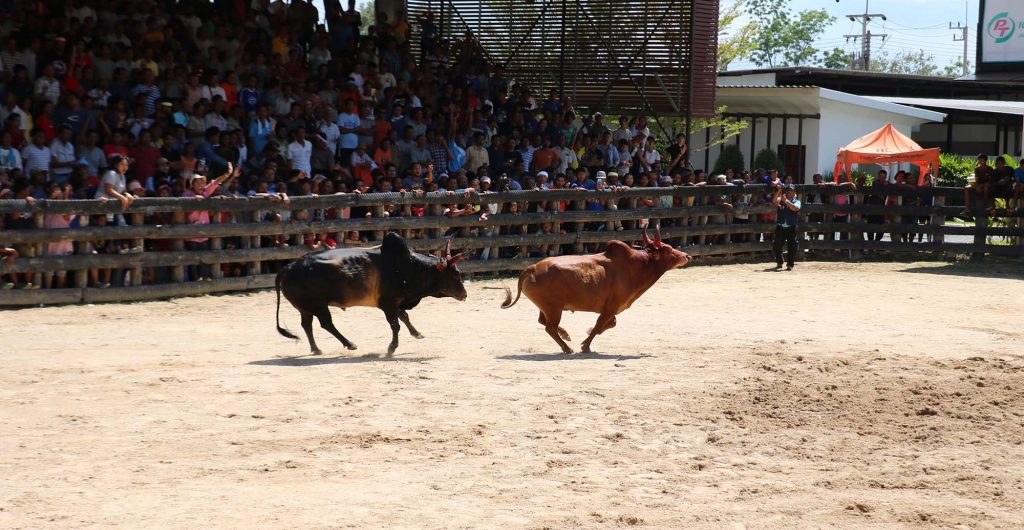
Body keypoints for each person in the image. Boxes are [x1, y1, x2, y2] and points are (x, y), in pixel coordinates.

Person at [771, 181, 801, 271]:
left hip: (791, 227)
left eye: (791, 191)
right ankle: (779, 262)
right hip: (781, 226)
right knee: (777, 245)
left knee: (792, 246)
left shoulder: (797, 201)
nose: (788, 192)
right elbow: (774, 201)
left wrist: (786, 201)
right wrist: (779, 190)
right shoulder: (781, 199)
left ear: (794, 192)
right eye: (787, 190)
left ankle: (790, 264)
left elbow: (795, 208)